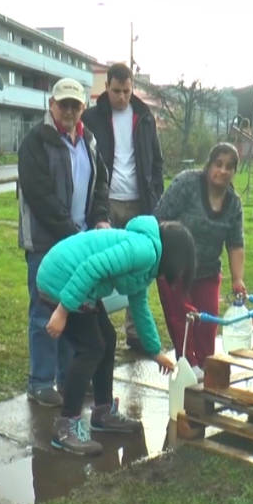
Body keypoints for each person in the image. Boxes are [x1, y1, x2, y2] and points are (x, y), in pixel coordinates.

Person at [37, 216, 191, 455]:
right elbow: (91, 267)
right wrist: (62, 310)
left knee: (106, 338)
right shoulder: (144, 251)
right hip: (60, 278)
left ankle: (103, 412)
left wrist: (155, 351)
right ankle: (66, 425)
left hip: (75, 283)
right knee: (91, 348)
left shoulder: (148, 260)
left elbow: (139, 306)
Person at [18, 77, 110, 407]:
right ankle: (41, 381)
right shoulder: (35, 142)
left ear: (83, 108)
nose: (69, 110)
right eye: (64, 104)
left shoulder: (90, 141)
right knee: (44, 312)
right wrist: (72, 234)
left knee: (74, 310)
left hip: (80, 241)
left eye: (76, 105)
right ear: (51, 105)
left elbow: (101, 186)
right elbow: (39, 195)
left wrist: (100, 219)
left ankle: (67, 377)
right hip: (45, 244)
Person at [82, 63, 164, 351]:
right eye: (116, 91)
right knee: (102, 266)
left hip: (140, 203)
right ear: (106, 88)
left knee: (139, 268)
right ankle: (98, 328)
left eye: (127, 91)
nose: (122, 97)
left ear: (133, 88)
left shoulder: (144, 117)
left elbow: (156, 160)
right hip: (105, 201)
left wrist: (156, 198)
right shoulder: (91, 117)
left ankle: (135, 331)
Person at [154, 143, 246, 376]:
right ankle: (189, 371)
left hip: (207, 271)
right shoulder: (187, 184)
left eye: (229, 167)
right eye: (218, 164)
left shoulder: (233, 203)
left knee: (207, 325)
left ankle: (206, 370)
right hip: (174, 268)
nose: (223, 171)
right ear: (209, 165)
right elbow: (158, 220)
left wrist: (238, 280)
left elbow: (235, 244)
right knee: (183, 323)